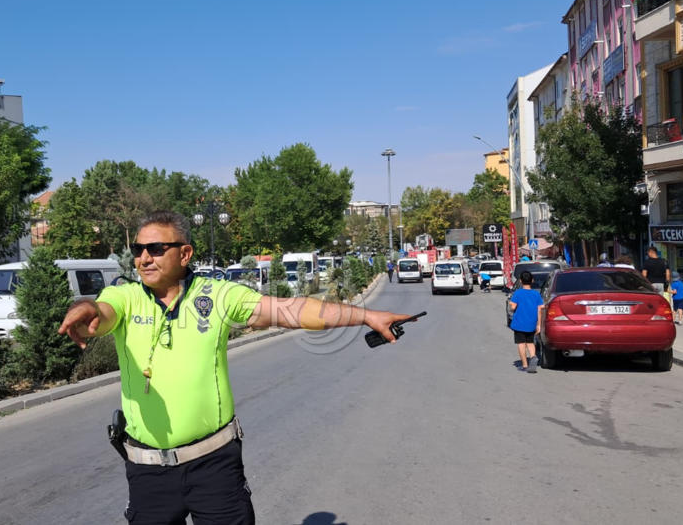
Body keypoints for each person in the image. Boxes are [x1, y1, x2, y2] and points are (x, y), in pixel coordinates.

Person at [58, 211, 416, 524]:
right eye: (138, 250)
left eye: (156, 249)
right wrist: (87, 310)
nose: (144, 258)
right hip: (147, 470)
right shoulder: (125, 296)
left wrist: (367, 315)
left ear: (185, 253)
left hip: (213, 465)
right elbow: (103, 314)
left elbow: (291, 310)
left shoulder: (217, 296)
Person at [508, 271, 544, 373]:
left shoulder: (518, 293)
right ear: (532, 280)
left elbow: (513, 306)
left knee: (521, 343)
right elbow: (540, 309)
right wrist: (539, 325)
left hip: (519, 323)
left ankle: (524, 365)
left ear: (520, 281)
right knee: (530, 342)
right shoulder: (536, 294)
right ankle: (533, 356)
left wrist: (512, 304)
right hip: (532, 323)